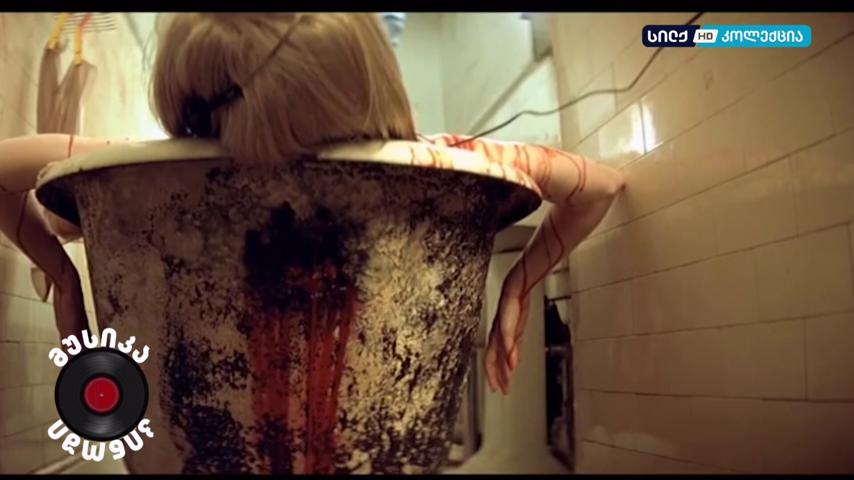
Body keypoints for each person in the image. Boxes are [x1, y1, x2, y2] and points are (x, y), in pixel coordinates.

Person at [0, 12, 624, 394]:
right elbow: (597, 186)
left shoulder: (141, 166)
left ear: (189, 98)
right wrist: (519, 283)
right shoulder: (440, 158)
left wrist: (62, 275)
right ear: (367, 87)